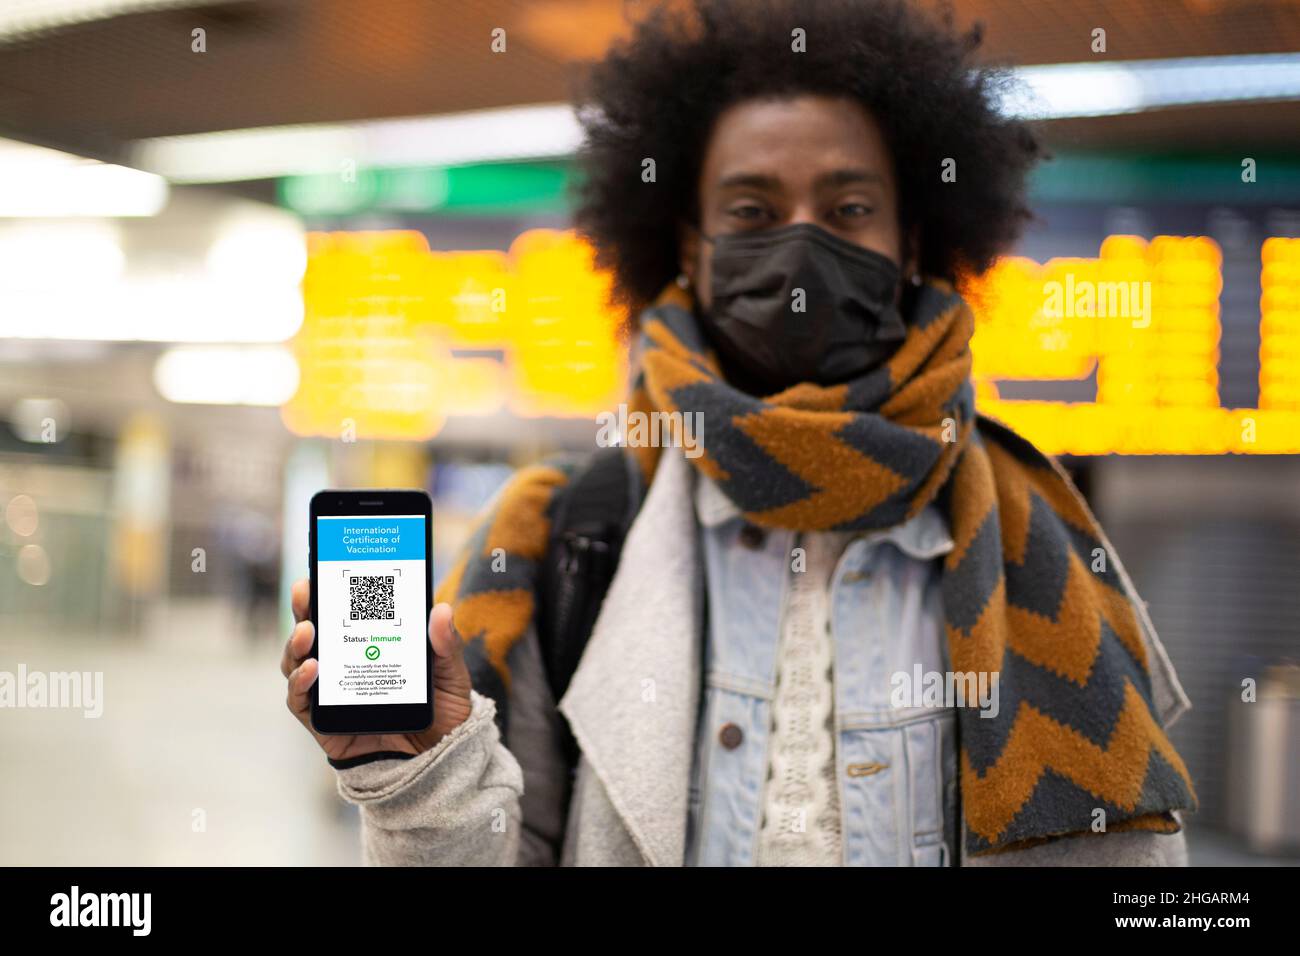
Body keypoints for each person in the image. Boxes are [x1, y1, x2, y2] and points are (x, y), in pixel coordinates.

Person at [281, 0, 1196, 866]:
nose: (800, 248)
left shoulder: (1040, 546)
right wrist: (419, 783)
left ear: (912, 241)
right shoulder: (562, 536)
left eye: (846, 211)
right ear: (687, 246)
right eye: (752, 213)